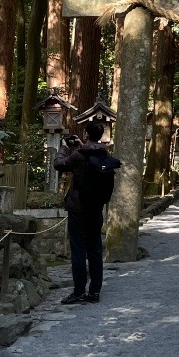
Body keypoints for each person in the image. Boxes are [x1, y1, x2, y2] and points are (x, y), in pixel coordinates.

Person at [54, 122, 109, 305]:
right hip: (96, 208)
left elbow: (59, 165)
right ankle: (94, 292)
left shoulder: (78, 155)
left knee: (78, 250)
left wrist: (64, 147)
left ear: (86, 134)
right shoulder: (105, 154)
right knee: (95, 249)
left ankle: (79, 292)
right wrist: (81, 146)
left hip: (78, 209)